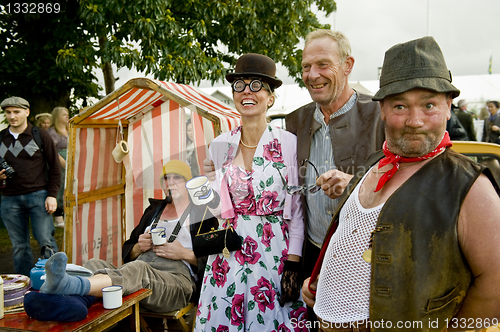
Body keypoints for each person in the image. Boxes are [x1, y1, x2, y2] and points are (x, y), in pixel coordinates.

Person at [302, 36, 500, 332]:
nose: (414, 120)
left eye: (429, 104)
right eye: (400, 106)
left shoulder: (468, 186)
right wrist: (319, 279)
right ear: (382, 110)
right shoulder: (374, 163)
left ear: (449, 107)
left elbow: (495, 286)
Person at [194, 53, 308, 331]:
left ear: (270, 97)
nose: (247, 91)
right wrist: (209, 184)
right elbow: (215, 210)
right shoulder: (220, 144)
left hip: (273, 254)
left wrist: (293, 264)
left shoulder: (289, 144)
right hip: (227, 255)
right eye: (240, 85)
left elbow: (296, 212)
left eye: (257, 85)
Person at [39, 160, 212, 314]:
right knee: (93, 263)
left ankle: (69, 288)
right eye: (167, 178)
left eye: (177, 177)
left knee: (137, 270)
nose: (171, 182)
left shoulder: (202, 214)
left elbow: (216, 261)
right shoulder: (154, 210)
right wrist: (138, 247)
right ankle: (65, 305)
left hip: (176, 281)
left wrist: (183, 253)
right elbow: (127, 250)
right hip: (140, 269)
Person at [0, 96, 61, 276]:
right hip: (9, 198)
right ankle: (25, 286)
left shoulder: (40, 135)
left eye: (16, 112)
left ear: (27, 112)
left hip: (38, 196)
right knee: (19, 247)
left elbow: (55, 167)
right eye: (8, 112)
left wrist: (52, 195)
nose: (12, 116)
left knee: (46, 242)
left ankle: (57, 281)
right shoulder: (0, 137)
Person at [47, 107, 69, 228]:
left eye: (67, 114)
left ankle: (66, 212)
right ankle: (58, 216)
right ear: (57, 116)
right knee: (59, 188)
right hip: (59, 164)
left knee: (67, 188)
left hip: (70, 163)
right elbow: (52, 150)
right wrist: (63, 162)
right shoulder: (52, 132)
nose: (67, 116)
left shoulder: (69, 129)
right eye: (64, 114)